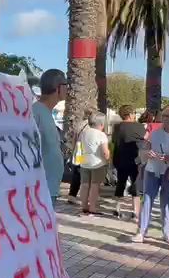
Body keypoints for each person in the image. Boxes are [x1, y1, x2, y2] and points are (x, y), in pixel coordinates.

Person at [133, 105, 169, 245]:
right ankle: (141, 232)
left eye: (168, 116)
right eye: (163, 115)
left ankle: (167, 232)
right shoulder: (155, 133)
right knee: (147, 200)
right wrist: (147, 154)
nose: (164, 118)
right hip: (152, 170)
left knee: (168, 203)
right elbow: (143, 151)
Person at [32, 69, 70, 203]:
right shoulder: (36, 112)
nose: (68, 89)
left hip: (49, 187)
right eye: (66, 84)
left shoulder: (46, 112)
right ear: (58, 87)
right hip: (41, 189)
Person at [111, 107, 146, 215]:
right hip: (134, 158)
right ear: (130, 114)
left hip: (119, 158)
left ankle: (117, 207)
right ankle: (135, 210)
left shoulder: (116, 127)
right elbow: (146, 138)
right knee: (136, 183)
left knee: (120, 183)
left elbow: (113, 140)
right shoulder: (138, 126)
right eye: (134, 113)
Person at [77, 112, 111, 215]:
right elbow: (105, 152)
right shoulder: (101, 135)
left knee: (84, 185)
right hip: (98, 163)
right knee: (95, 185)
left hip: (84, 162)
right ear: (101, 124)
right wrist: (108, 158)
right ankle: (92, 207)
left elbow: (79, 147)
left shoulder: (83, 133)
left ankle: (84, 206)